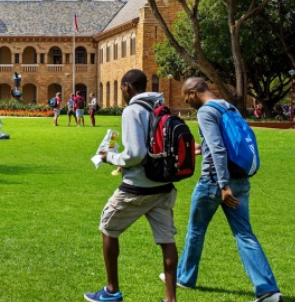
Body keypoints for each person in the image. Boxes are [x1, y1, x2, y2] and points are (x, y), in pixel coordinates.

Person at [172, 77, 281, 302]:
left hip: (214, 183)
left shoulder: (205, 112)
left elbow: (219, 149)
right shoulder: (228, 107)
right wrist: (199, 149)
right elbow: (223, 144)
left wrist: (223, 185)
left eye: (186, 98)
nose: (187, 102)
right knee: (244, 234)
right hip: (240, 180)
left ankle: (184, 278)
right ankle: (268, 290)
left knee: (196, 230)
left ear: (193, 93)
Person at [85, 69, 178, 302]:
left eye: (121, 89)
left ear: (127, 86)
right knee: (167, 240)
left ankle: (111, 290)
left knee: (108, 227)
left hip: (138, 186)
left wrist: (110, 157)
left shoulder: (132, 110)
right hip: (163, 185)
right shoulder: (160, 107)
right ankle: (170, 299)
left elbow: (135, 153)